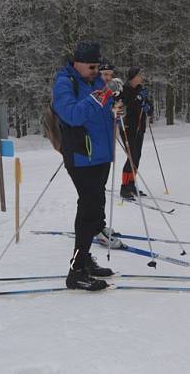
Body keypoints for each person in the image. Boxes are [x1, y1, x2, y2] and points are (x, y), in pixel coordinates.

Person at [52, 40, 123, 291]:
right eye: (92, 66)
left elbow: (100, 110)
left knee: (96, 211)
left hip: (101, 155)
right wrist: (102, 96)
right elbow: (71, 115)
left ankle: (86, 260)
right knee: (88, 211)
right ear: (78, 63)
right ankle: (76, 271)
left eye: (98, 66)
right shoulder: (65, 82)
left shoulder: (95, 82)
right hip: (82, 156)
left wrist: (116, 110)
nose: (96, 71)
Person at [119, 66, 154, 200]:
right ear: (133, 77)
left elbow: (150, 110)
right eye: (139, 75)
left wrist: (148, 107)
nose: (142, 77)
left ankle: (131, 184)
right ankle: (124, 186)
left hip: (140, 128)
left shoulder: (141, 89)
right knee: (131, 156)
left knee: (137, 156)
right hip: (128, 127)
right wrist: (138, 99)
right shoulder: (125, 89)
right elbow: (126, 105)